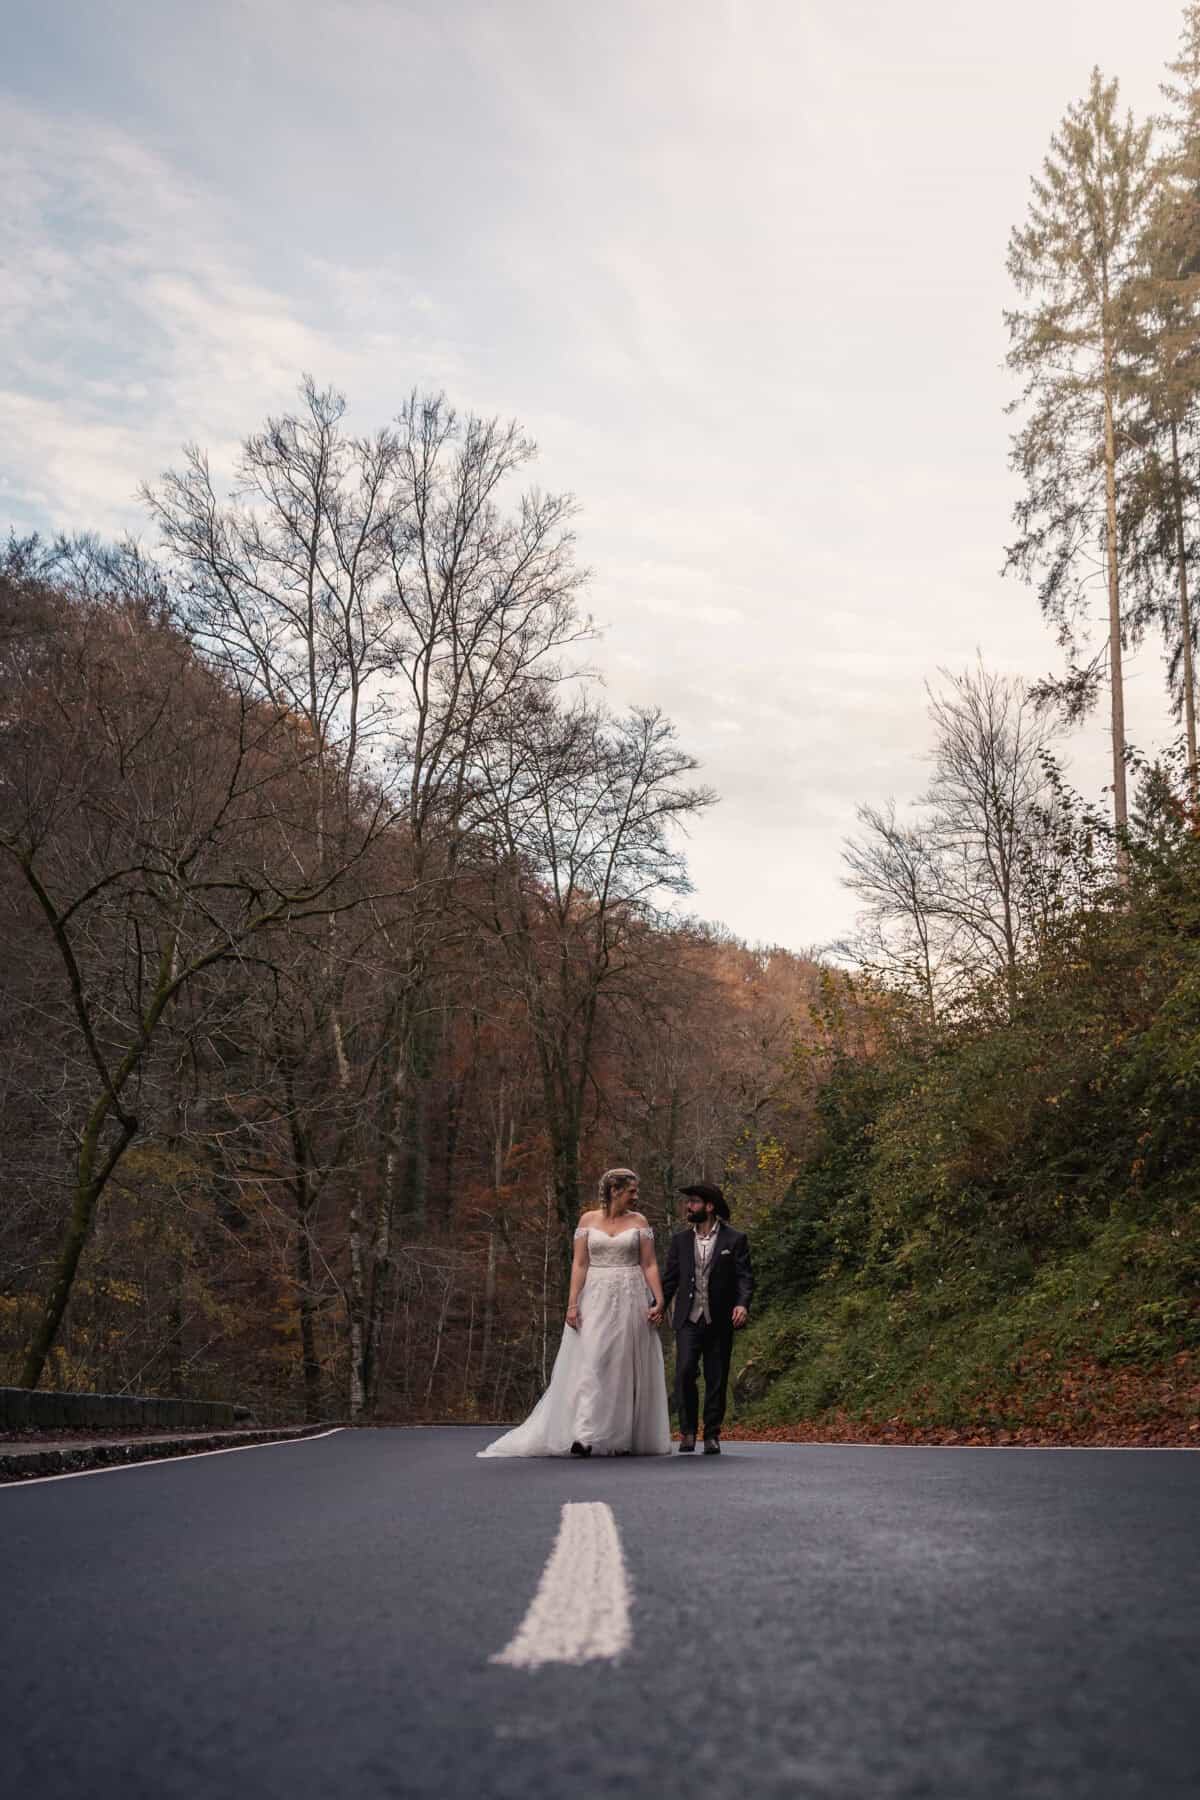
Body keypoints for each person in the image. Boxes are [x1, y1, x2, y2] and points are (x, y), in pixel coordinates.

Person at [477, 1168, 671, 1458]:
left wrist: (659, 1299)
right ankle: (584, 1433)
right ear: (615, 1190)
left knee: (622, 1364)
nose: (636, 1195)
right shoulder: (587, 1221)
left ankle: (619, 1436)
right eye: (632, 1190)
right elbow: (579, 1264)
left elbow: (650, 1263)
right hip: (596, 1294)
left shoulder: (639, 1222)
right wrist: (572, 1302)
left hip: (630, 1294)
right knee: (593, 1360)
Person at [661, 1182, 753, 1455]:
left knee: (717, 1377)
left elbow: (745, 1277)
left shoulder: (735, 1239)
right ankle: (688, 1432)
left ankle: (712, 1434)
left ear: (709, 1207)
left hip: (720, 1319)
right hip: (688, 1319)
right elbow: (670, 1280)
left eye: (694, 1202)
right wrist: (658, 1305)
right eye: (689, 1203)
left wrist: (742, 1304)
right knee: (685, 1372)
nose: (689, 1207)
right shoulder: (680, 1241)